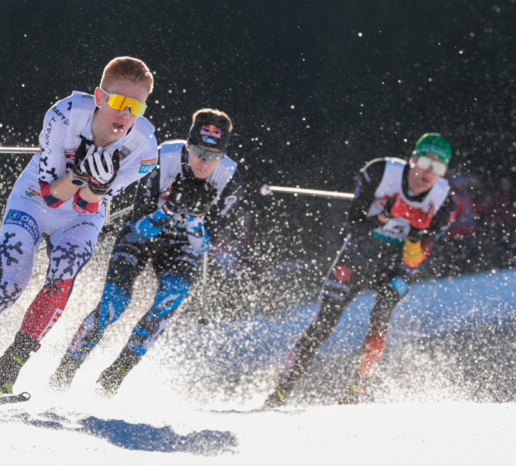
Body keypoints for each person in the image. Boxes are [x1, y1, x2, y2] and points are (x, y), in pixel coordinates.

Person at [0, 57, 159, 415]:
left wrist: (98, 184)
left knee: (61, 280)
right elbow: (51, 194)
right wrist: (80, 174)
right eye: (120, 102)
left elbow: (87, 205)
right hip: (36, 197)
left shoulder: (144, 149)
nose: (125, 114)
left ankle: (6, 372)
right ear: (99, 97)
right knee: (10, 283)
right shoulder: (64, 115)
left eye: (136, 107)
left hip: (81, 214)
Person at [49, 109, 243, 395]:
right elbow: (139, 228)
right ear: (188, 146)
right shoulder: (164, 157)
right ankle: (64, 373)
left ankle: (113, 378)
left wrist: (195, 220)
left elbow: (204, 247)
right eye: (199, 152)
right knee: (114, 302)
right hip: (143, 234)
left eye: (214, 156)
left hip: (182, 245)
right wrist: (168, 211)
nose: (204, 163)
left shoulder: (229, 178)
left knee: (170, 297)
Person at [264, 133, 456, 408]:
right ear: (413, 159)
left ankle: (355, 392)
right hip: (361, 250)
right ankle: (281, 392)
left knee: (381, 316)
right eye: (425, 162)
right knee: (324, 322)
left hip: (397, 262)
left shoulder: (444, 200)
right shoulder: (381, 172)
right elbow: (353, 225)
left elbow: (416, 259)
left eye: (438, 167)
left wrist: (416, 232)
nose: (428, 172)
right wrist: (384, 215)